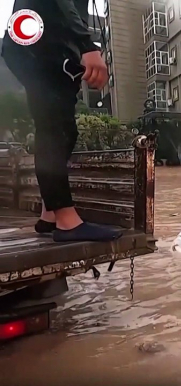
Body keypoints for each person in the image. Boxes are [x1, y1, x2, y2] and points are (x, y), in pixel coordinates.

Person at [2, 0, 121, 242]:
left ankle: (51, 213)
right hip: (36, 40)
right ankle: (67, 221)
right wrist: (87, 45)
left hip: (38, 42)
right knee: (54, 125)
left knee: (65, 128)